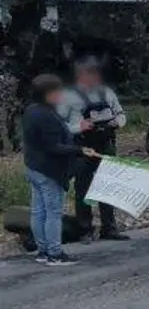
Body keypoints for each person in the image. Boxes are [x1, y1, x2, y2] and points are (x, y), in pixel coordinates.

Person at [22, 74, 102, 265]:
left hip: (34, 167)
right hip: (49, 170)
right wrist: (80, 150)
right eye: (58, 91)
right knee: (53, 212)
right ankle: (55, 253)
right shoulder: (46, 115)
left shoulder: (32, 110)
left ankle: (42, 251)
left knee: (39, 210)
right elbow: (54, 147)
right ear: (48, 93)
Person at [59, 57, 130, 242]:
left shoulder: (107, 92)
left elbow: (121, 113)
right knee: (83, 188)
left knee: (108, 186)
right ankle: (85, 229)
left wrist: (118, 122)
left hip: (106, 144)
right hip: (83, 145)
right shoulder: (68, 97)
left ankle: (109, 228)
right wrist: (79, 127)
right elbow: (59, 125)